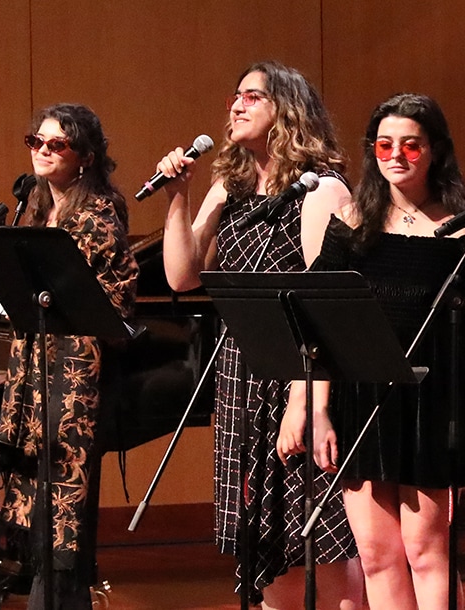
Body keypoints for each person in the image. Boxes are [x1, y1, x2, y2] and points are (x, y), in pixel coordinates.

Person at [153, 60, 363, 609]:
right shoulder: (231, 187)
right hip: (241, 379)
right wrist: (181, 196)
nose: (236, 105)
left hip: (299, 378)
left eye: (252, 96)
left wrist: (303, 401)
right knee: (263, 539)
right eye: (235, 96)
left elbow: (325, 308)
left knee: (314, 538)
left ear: (287, 111)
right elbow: (181, 275)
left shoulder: (321, 192)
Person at [308, 93, 465, 609]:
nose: (395, 155)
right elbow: (324, 329)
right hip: (362, 401)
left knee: (426, 553)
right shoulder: (352, 222)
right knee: (377, 556)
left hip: (432, 405)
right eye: (384, 144)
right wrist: (318, 412)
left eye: (410, 145)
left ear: (436, 151)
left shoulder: (464, 228)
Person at [0, 103, 138, 610]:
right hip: (35, 366)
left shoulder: (98, 212)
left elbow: (112, 299)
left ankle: (62, 598)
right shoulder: (34, 207)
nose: (43, 152)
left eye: (56, 144)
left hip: (75, 374)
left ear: (85, 157)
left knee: (64, 503)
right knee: (36, 491)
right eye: (37, 141)